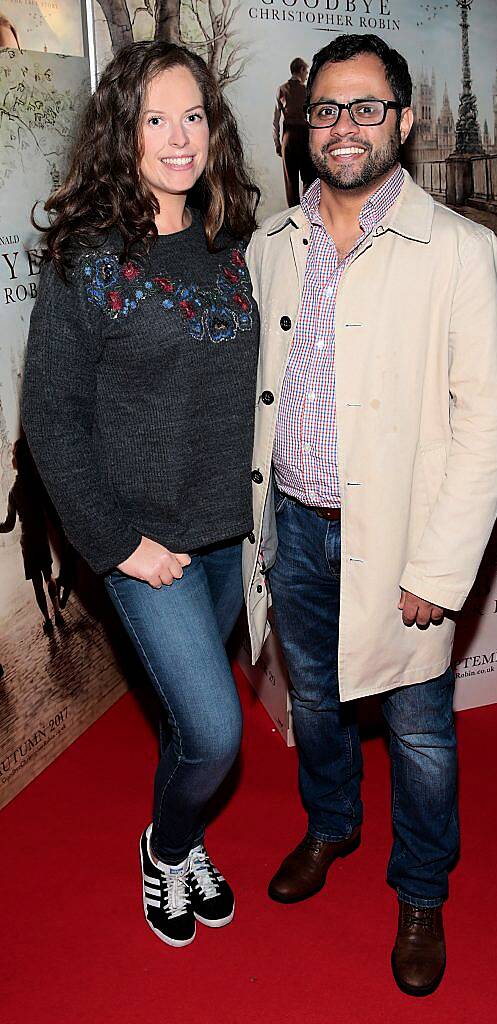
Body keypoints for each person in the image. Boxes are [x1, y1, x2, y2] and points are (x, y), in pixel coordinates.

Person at [243, 33, 497, 996]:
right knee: (315, 701)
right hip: (293, 526)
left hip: (401, 544)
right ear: (304, 124)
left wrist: (437, 572)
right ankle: (329, 825)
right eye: (326, 109)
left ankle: (420, 891)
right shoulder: (270, 244)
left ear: (402, 119)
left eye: (366, 107)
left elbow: (488, 428)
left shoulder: (458, 249)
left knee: (416, 726)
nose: (344, 126)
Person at [22, 40, 259, 949]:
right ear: (122, 132)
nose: (178, 138)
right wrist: (117, 545)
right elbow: (50, 417)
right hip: (145, 549)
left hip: (230, 535)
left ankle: (186, 834)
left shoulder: (230, 241)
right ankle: (165, 850)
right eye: (155, 118)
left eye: (193, 115)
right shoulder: (88, 258)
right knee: (213, 729)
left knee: (182, 718)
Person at [0, 437, 63, 634]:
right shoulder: (38, 484)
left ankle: (47, 620)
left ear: (17, 461)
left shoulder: (14, 491)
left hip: (28, 542)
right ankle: (58, 613)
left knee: (37, 584)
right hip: (42, 537)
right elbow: (51, 510)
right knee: (48, 575)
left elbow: (9, 525)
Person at [273, 57, 315, 206]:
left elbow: (276, 121)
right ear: (301, 70)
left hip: (288, 138)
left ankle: (293, 216)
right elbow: (313, 117)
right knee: (309, 178)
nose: (306, 76)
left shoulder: (281, 89)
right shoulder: (307, 91)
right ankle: (306, 212)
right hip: (303, 136)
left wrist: (277, 143)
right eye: (306, 72)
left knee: (290, 182)